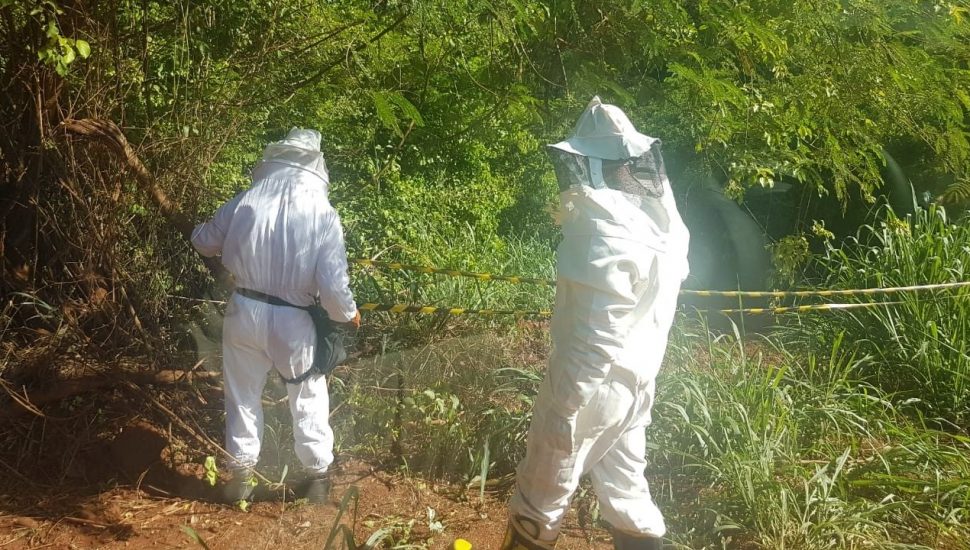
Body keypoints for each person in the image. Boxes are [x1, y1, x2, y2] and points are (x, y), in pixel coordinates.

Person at [503, 97, 690, 550]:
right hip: (637, 387)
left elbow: (592, 340)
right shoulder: (663, 231)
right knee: (628, 493)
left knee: (538, 500)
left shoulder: (603, 234)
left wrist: (560, 413)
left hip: (592, 387)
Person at [191, 128, 360, 504]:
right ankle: (317, 480)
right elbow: (333, 287)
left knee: (242, 395)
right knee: (307, 394)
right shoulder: (323, 213)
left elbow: (203, 241)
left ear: (277, 158)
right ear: (315, 164)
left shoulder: (247, 198)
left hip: (243, 310)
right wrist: (348, 314)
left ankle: (240, 481)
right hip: (292, 320)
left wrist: (201, 228)